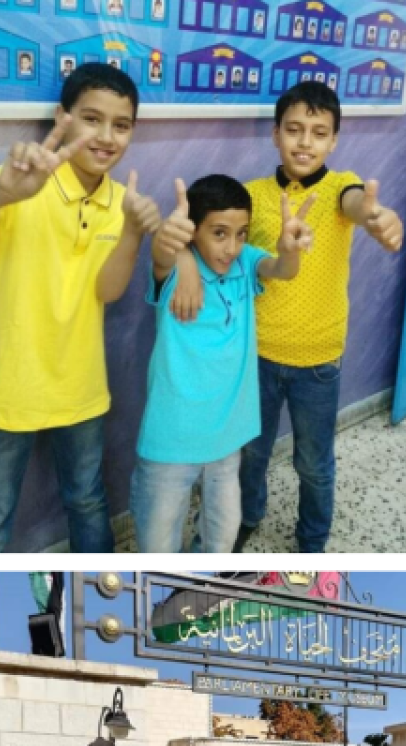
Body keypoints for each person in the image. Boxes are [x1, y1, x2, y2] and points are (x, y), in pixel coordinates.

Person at [0, 64, 158, 552]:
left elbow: (108, 292)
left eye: (122, 125)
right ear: (63, 117)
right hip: (5, 385)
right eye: (92, 118)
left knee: (88, 501)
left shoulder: (123, 201)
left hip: (80, 386)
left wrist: (135, 233)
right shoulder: (26, 179)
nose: (107, 136)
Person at [169, 82, 404, 552]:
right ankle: (247, 517)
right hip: (254, 357)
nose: (305, 142)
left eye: (319, 133)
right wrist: (184, 266)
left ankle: (313, 541)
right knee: (250, 454)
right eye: (294, 129)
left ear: (334, 141)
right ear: (275, 134)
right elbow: (203, 237)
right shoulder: (253, 196)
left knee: (313, 462)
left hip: (318, 361)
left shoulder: (340, 189)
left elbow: (357, 203)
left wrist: (375, 214)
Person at [133, 174, 311, 551]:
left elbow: (282, 270)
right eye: (219, 233)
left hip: (226, 439)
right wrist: (176, 249)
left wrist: (290, 251)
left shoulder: (245, 263)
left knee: (221, 537)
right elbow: (162, 255)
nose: (231, 247)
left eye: (241, 233)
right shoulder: (178, 274)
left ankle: (197, 602)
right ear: (193, 231)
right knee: (157, 547)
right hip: (173, 442)